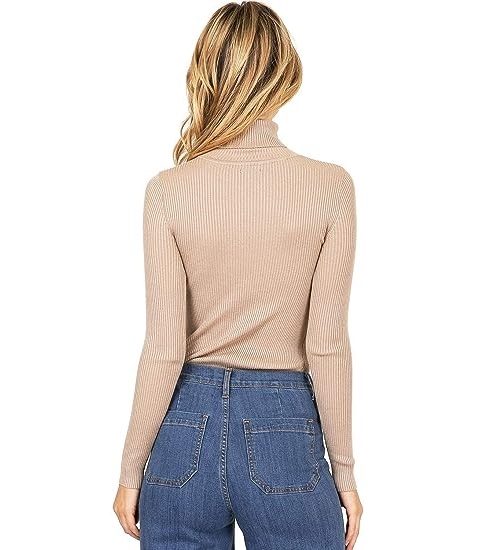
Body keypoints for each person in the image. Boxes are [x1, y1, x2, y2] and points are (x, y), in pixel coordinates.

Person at [113, 1, 363, 548]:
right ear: (285, 72)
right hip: (284, 427)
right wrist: (344, 472)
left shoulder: (168, 191)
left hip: (182, 429)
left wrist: (131, 469)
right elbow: (326, 345)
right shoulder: (330, 187)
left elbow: (164, 347)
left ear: (206, 70)